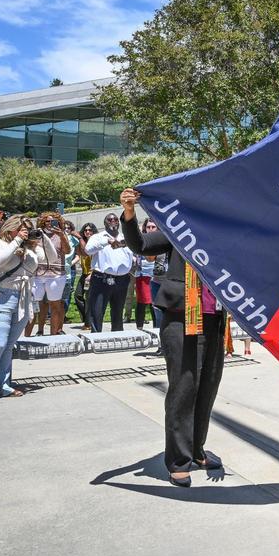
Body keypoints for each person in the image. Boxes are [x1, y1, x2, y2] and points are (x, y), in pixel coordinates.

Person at [120, 188, 226, 488]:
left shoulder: (228, 240)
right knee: (184, 388)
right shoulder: (181, 232)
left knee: (207, 387)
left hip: (214, 320)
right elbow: (140, 244)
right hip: (181, 319)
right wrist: (129, 213)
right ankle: (178, 460)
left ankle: (196, 449)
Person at [0, 216, 39, 406]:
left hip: (22, 298)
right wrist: (17, 241)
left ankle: (3, 385)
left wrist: (36, 242)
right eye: (22, 229)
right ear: (11, 228)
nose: (26, 232)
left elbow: (41, 263)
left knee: (9, 345)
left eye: (28, 229)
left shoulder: (25, 248)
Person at [83, 213, 134, 332]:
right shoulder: (98, 237)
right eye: (110, 219)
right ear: (105, 222)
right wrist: (107, 241)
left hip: (122, 279)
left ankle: (117, 335)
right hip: (102, 278)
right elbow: (88, 250)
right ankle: (95, 337)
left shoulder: (125, 236)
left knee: (118, 310)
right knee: (97, 310)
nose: (113, 221)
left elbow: (132, 254)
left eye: (115, 219)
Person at [27, 212, 71, 336]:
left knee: (55, 305)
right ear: (42, 222)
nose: (49, 224)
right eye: (47, 221)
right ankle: (28, 336)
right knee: (34, 306)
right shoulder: (37, 234)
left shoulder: (61, 234)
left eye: (53, 221)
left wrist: (62, 235)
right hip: (38, 274)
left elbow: (67, 251)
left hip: (56, 274)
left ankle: (53, 336)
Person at [133, 219, 159, 329]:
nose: (151, 229)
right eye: (148, 227)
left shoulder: (161, 238)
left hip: (157, 275)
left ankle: (156, 328)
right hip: (143, 274)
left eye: (153, 227)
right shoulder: (142, 239)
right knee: (142, 302)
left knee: (155, 304)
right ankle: (139, 328)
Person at [73, 223, 97, 330]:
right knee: (77, 296)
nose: (87, 232)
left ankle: (88, 323)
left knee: (89, 299)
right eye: (86, 230)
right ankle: (87, 319)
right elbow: (79, 253)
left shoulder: (95, 243)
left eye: (90, 230)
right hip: (84, 274)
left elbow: (87, 252)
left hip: (92, 274)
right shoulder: (82, 242)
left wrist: (79, 237)